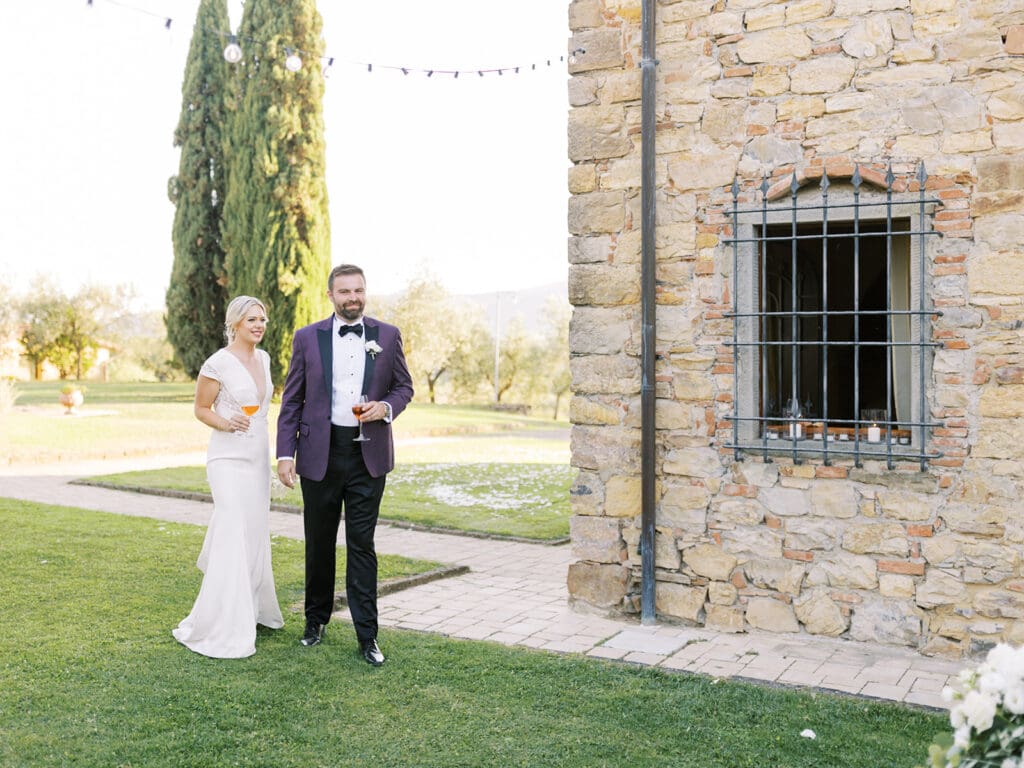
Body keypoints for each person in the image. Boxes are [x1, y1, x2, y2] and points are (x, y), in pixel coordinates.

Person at [276, 264, 413, 666]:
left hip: (368, 456)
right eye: (344, 291)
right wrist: (286, 453)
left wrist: (385, 407)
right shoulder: (306, 338)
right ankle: (314, 622)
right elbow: (293, 400)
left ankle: (367, 635)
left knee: (361, 545)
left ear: (365, 292)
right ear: (330, 295)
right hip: (319, 454)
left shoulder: (387, 335)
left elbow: (404, 387)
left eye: (358, 290)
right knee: (318, 542)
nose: (352, 297)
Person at [172, 296, 284, 658]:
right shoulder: (217, 363)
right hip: (226, 457)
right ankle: (221, 622)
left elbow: (264, 409)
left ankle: (249, 607)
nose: (259, 325)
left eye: (263, 320)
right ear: (235, 323)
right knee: (233, 526)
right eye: (252, 319)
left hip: (256, 457)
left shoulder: (264, 359)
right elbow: (200, 409)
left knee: (253, 531)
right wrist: (225, 421)